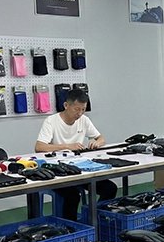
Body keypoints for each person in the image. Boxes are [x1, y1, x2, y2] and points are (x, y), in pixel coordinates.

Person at [35, 88, 117, 220]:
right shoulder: (51, 121)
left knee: (110, 188)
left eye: (83, 109)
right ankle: (71, 228)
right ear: (66, 105)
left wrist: (97, 142)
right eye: (76, 109)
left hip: (80, 169)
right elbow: (39, 147)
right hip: (59, 172)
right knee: (72, 195)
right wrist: (67, 146)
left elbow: (101, 138)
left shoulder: (84, 120)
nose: (80, 113)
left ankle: (95, 219)